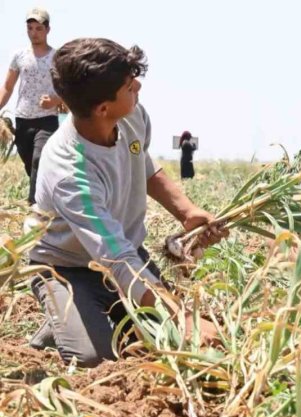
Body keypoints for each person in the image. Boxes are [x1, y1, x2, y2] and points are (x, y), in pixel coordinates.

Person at [27, 38, 227, 367]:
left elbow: (142, 165)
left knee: (157, 342)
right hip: (67, 267)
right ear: (102, 108)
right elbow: (117, 260)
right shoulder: (70, 171)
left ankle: (91, 311)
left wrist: (186, 212)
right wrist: (182, 319)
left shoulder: (130, 116)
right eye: (127, 83)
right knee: (96, 358)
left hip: (124, 253)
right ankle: (64, 320)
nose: (137, 85)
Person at [0, 8, 63, 205]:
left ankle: (34, 205)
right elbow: (8, 87)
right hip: (23, 118)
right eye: (30, 28)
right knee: (30, 163)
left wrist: (54, 100)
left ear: (47, 30)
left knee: (39, 159)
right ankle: (48, 195)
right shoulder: (19, 56)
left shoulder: (57, 57)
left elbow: (66, 87)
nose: (34, 32)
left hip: (48, 120)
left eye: (38, 28)